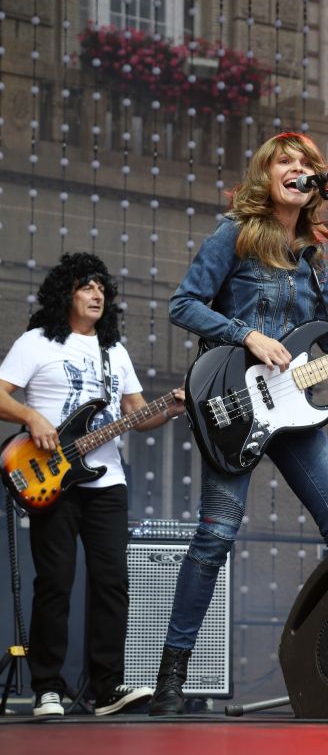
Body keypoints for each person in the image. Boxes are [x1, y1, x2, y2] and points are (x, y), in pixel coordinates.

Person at [148, 131, 328, 716]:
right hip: (233, 407)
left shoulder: (313, 260)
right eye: (285, 161)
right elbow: (184, 304)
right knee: (216, 535)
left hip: (294, 408)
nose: (297, 169)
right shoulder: (236, 234)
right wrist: (246, 334)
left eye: (306, 163)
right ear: (266, 175)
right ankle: (170, 678)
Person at [0, 252, 184, 717]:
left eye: (102, 287)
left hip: (107, 482)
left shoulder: (113, 352)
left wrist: (170, 408)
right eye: (87, 286)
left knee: (112, 582)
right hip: (50, 480)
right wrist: (31, 417)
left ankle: (107, 687)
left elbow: (136, 414)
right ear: (66, 293)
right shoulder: (37, 343)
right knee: (55, 582)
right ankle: (47, 687)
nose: (97, 293)